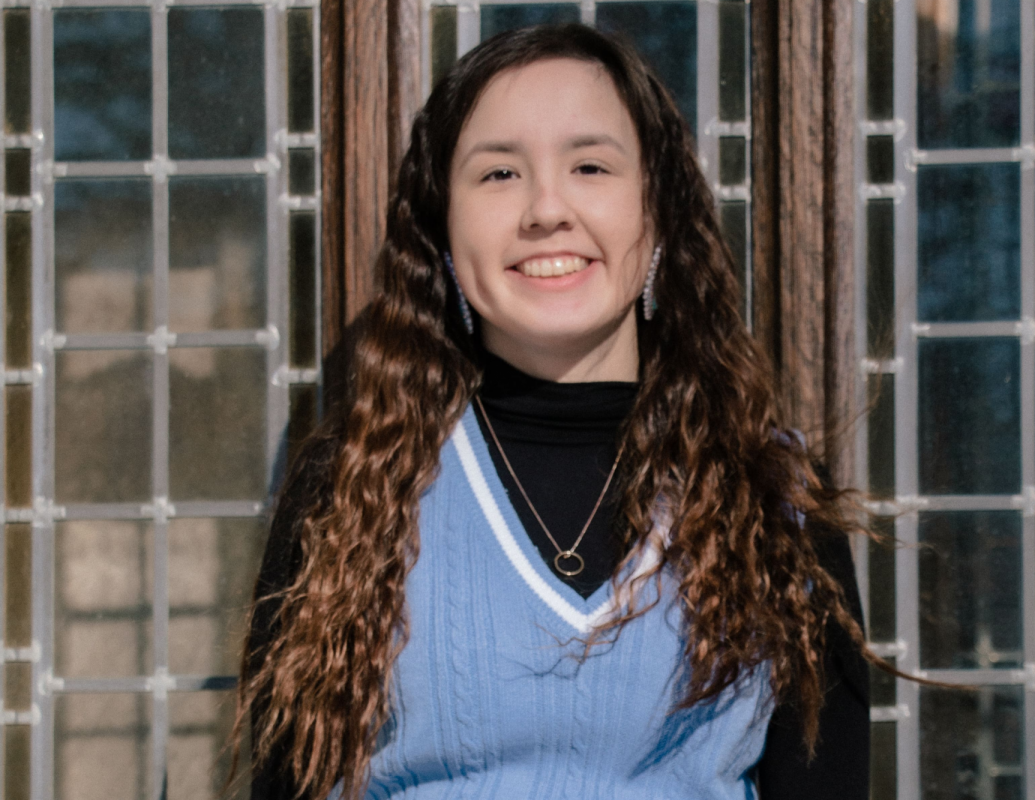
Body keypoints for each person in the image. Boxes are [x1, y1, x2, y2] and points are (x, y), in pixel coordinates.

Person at [235, 23, 870, 800]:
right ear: (441, 226)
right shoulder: (350, 490)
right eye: (499, 173)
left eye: (590, 165)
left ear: (658, 213)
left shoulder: (773, 498)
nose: (545, 209)